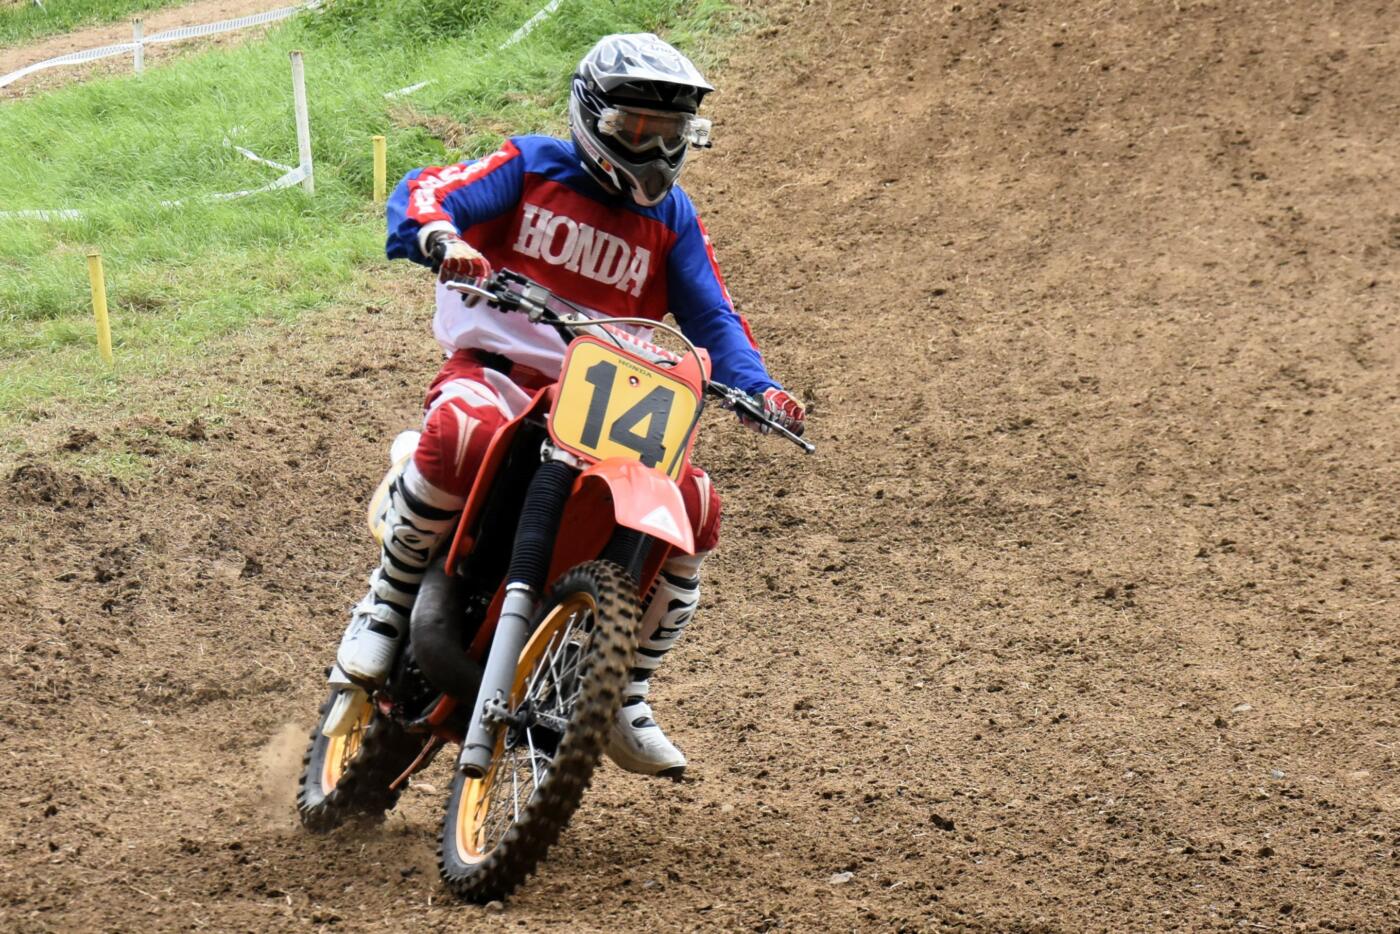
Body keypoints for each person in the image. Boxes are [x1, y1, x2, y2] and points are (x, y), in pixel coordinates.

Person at [332, 33, 805, 778]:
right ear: (593, 116)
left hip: (605, 403)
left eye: (669, 132)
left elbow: (714, 316)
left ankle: (623, 687)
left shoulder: (673, 218)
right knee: (461, 430)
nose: (653, 148)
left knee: (694, 505)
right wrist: (443, 238)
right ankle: (386, 604)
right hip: (503, 372)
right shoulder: (531, 164)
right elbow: (434, 190)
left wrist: (761, 388)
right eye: (635, 128)